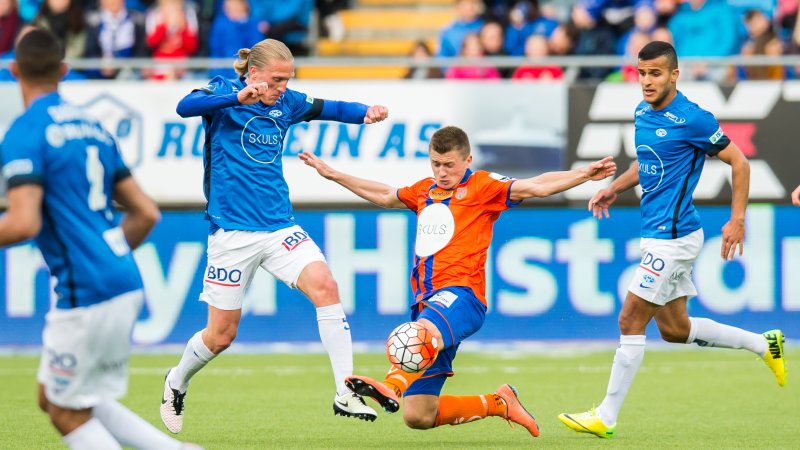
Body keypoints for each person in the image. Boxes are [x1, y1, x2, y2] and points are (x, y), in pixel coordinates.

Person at [299, 126, 616, 438]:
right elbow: (384, 195)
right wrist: (333, 174)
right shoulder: (424, 190)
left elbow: (536, 186)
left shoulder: (483, 186)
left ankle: (392, 386)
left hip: (462, 296)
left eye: (449, 164)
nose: (442, 172)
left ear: (468, 160)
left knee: (416, 336)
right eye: (436, 164)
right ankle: (499, 403)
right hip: (427, 303)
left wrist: (583, 174)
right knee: (419, 415)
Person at [558, 41, 787, 439]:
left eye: (656, 73)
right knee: (675, 330)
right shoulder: (642, 112)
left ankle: (606, 416)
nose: (647, 81)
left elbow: (740, 162)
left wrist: (737, 220)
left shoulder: (693, 119)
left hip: (675, 238)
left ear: (674, 75)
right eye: (642, 73)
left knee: (630, 318)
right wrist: (615, 188)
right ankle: (764, 344)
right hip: (657, 234)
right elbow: (648, 161)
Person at [161, 38, 389, 434]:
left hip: (280, 227)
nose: (283, 87)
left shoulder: (288, 103)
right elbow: (184, 106)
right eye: (277, 79)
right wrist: (236, 98)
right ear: (253, 74)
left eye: (288, 79)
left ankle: (345, 390)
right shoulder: (222, 92)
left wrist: (364, 113)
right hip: (232, 234)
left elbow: (329, 108)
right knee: (220, 336)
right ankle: (176, 380)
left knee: (326, 286)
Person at [1, 28, 200, 450]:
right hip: (122, 278)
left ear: (14, 70)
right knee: (55, 396)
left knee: (65, 411)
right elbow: (146, 212)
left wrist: (89, 260)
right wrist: (104, 254)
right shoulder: (92, 126)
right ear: (64, 70)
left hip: (86, 292)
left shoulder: (24, 132)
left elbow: (23, 222)